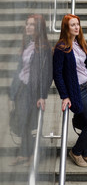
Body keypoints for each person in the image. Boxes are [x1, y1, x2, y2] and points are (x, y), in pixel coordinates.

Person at [53, 14, 87, 167]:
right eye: (73, 25)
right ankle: (75, 152)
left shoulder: (79, 42)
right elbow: (57, 74)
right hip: (78, 90)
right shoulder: (61, 48)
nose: (76, 27)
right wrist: (65, 95)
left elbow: (86, 66)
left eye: (78, 24)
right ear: (66, 28)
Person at [9, 14, 52, 166]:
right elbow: (19, 70)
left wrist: (42, 96)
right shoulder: (27, 45)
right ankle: (23, 153)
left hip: (34, 92)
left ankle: (35, 154)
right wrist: (12, 94)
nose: (28, 27)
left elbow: (47, 74)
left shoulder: (45, 49)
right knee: (23, 122)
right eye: (27, 24)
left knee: (34, 124)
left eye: (32, 25)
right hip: (22, 89)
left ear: (39, 28)